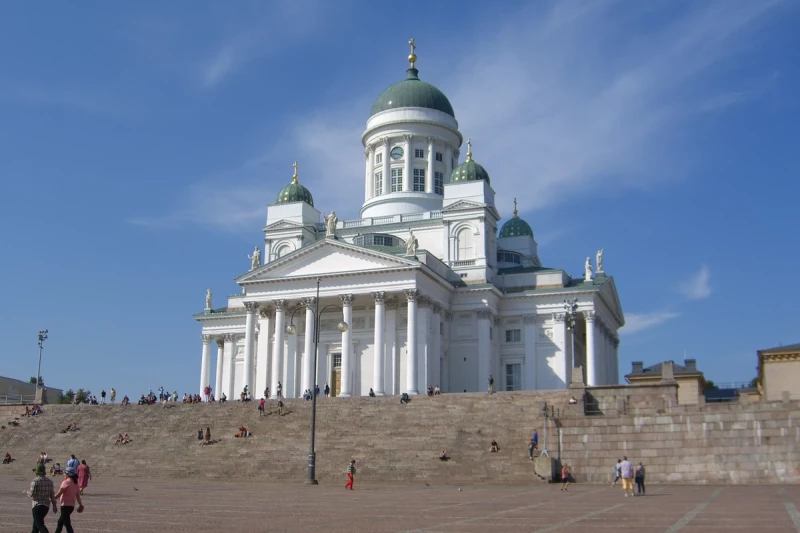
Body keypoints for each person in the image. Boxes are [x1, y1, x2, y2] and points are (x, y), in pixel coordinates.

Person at [25, 463, 57, 533]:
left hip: (36, 506)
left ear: (37, 472)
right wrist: (54, 505)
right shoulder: (50, 482)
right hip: (46, 507)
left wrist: (26, 492)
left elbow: (31, 494)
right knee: (35, 526)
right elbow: (52, 495)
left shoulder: (35, 481)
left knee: (39, 524)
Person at [54, 467, 84, 533]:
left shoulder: (66, 482)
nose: (64, 475)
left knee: (67, 524)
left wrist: (51, 499)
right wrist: (80, 504)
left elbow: (59, 493)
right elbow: (78, 496)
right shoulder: (76, 483)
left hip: (65, 506)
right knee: (60, 522)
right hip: (71, 506)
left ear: (68, 474)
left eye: (64, 473)